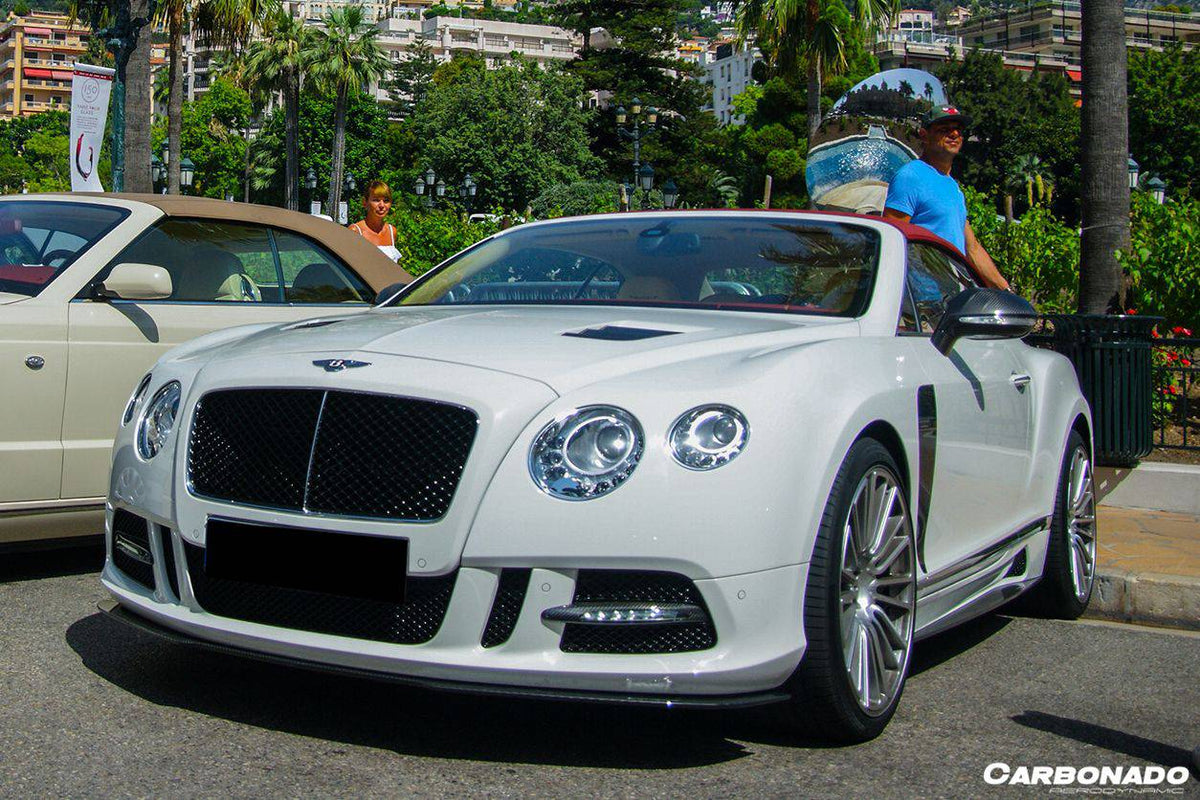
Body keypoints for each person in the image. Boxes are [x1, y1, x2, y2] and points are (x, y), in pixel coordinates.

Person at [884, 105, 1009, 290]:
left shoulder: (952, 186)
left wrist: (1006, 291)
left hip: (949, 298)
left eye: (958, 130)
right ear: (924, 135)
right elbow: (892, 241)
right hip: (921, 303)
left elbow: (972, 248)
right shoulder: (910, 177)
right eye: (944, 130)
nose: (954, 134)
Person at [349, 180, 402, 263]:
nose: (381, 205)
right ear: (365, 202)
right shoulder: (355, 231)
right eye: (376, 200)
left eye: (386, 201)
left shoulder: (392, 232)